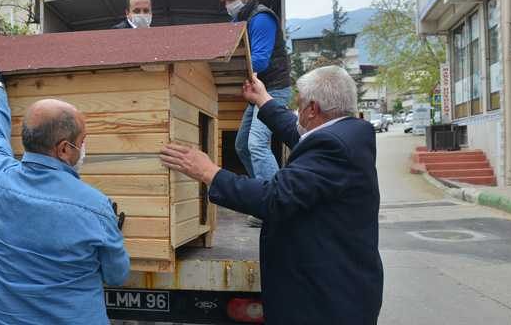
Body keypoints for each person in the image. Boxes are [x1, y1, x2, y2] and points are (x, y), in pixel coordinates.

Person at [160, 66, 384, 325]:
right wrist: (263, 101)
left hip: (326, 302)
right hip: (336, 290)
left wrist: (209, 172)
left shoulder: (333, 147)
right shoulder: (343, 133)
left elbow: (274, 197)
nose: (295, 107)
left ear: (313, 109)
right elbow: (297, 132)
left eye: (298, 102)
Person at [0, 66, 129, 324]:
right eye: (81, 141)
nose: (83, 148)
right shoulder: (96, 206)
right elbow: (116, 276)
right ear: (63, 149)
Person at [215, 0, 292, 185]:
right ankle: (262, 190)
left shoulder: (261, 18)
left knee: (257, 144)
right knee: (242, 146)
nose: (229, 5)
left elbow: (260, 61)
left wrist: (225, 66)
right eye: (225, 2)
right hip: (259, 91)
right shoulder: (239, 21)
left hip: (274, 90)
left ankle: (277, 199)